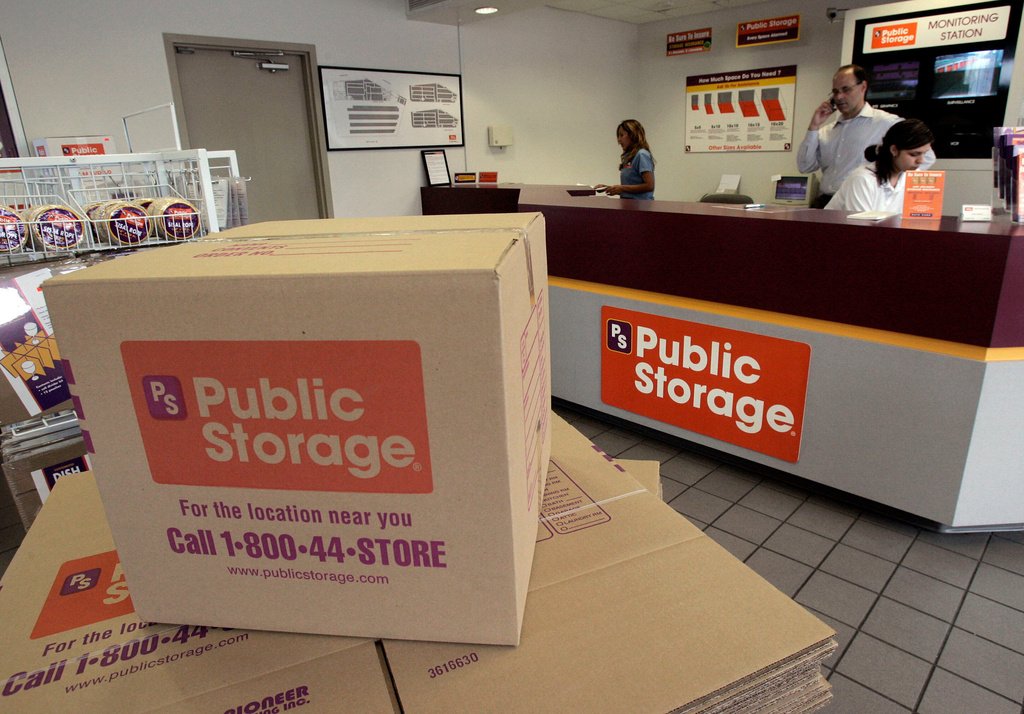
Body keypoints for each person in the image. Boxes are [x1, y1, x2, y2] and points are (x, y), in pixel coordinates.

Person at [797, 65, 934, 208]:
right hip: (827, 204)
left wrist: (891, 185)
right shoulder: (827, 131)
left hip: (864, 199)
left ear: (863, 87)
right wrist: (814, 126)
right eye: (835, 92)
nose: (839, 97)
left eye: (846, 89)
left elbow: (925, 158)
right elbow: (804, 166)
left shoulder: (887, 123)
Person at [825, 119, 934, 213]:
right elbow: (860, 228)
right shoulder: (863, 179)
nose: (921, 160)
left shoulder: (917, 177)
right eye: (914, 154)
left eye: (925, 153)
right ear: (894, 150)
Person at [596, 119, 655, 200]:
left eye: (621, 135)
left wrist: (622, 188)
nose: (619, 140)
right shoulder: (628, 156)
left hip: (641, 207)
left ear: (632, 135)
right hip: (628, 206)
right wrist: (609, 188)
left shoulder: (641, 155)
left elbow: (649, 186)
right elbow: (629, 187)